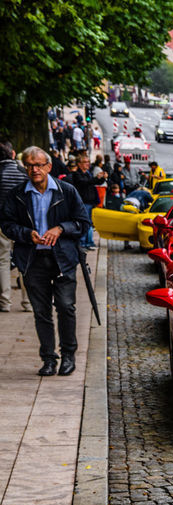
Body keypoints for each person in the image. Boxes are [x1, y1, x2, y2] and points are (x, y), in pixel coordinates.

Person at [0, 146, 90, 375]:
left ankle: (68, 355)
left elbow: (83, 223)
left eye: (39, 164)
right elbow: (7, 224)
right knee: (41, 312)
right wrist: (25, 234)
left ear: (49, 166)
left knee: (66, 307)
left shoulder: (66, 191)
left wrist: (60, 228)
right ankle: (49, 358)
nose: (34, 169)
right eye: (29, 165)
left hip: (63, 260)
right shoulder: (18, 194)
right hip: (32, 259)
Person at [0, 142, 32, 312]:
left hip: (2, 223)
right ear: (13, 154)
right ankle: (27, 302)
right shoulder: (23, 173)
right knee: (24, 261)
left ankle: (5, 301)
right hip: (22, 223)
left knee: (2, 261)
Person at [66, 154, 101, 249]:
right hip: (83, 201)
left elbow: (94, 183)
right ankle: (82, 242)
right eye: (85, 162)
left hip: (90, 201)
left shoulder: (87, 173)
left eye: (88, 162)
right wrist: (96, 179)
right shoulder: (77, 174)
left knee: (89, 222)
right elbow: (84, 183)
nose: (87, 164)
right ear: (79, 164)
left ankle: (89, 242)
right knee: (83, 222)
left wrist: (101, 178)